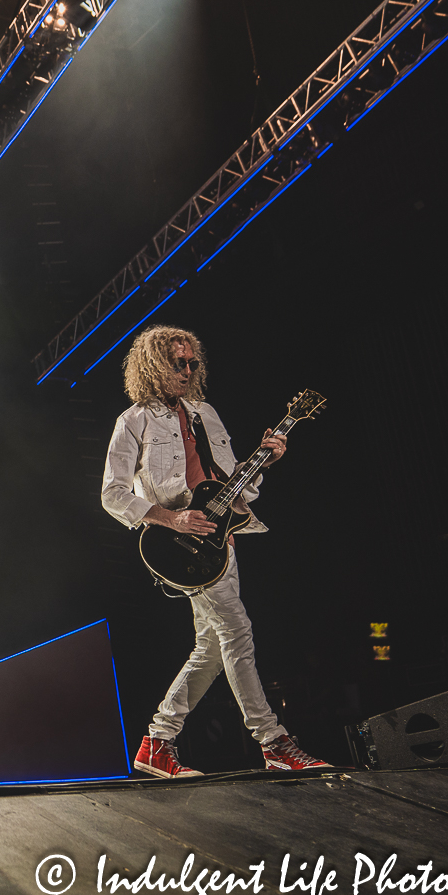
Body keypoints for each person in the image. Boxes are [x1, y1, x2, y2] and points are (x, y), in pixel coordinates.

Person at [101, 325, 328, 777]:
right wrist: (173, 518)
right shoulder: (134, 420)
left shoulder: (206, 413)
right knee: (237, 630)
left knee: (210, 647)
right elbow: (111, 494)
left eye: (192, 363)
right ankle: (273, 741)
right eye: (177, 364)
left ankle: (157, 742)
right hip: (177, 543)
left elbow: (228, 485)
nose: (187, 371)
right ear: (152, 366)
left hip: (219, 542)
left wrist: (264, 461)